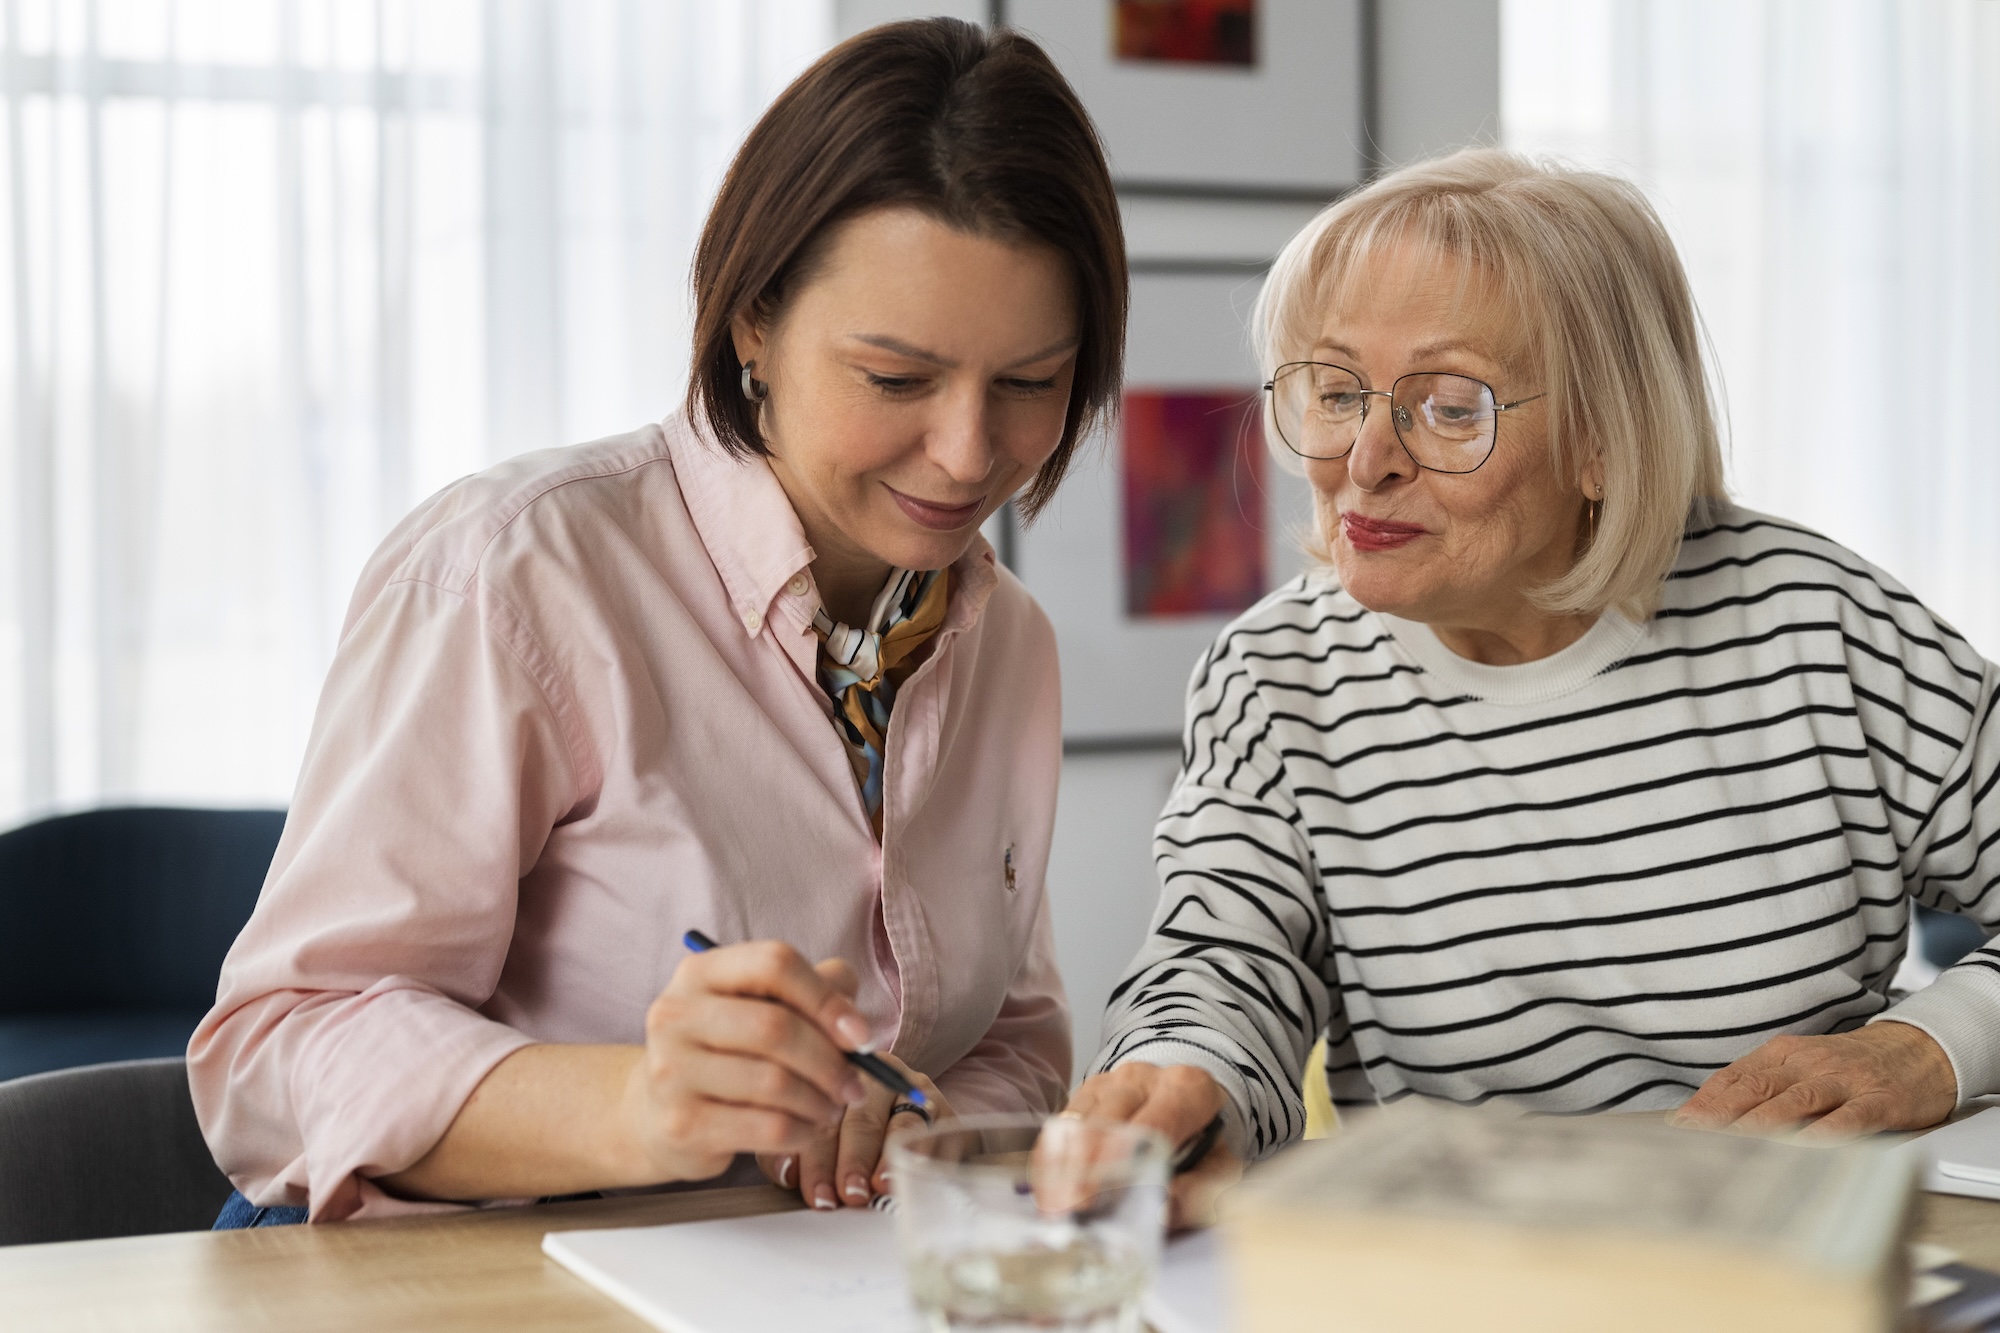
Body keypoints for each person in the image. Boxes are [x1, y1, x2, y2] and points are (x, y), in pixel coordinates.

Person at [190, 17, 1126, 1225]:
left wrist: (917, 1121)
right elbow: (275, 1051)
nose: (963, 453)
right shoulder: (516, 574)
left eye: (1027, 383)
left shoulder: (1009, 645)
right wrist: (640, 1105)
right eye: (894, 379)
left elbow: (1010, 1033)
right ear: (753, 325)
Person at [1069, 148, 2000, 1226]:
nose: (1362, 459)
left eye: (1447, 407)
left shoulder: (1819, 629)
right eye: (1334, 392)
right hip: (1474, 1265)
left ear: (1603, 439)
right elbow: (1221, 962)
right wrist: (1186, 1079)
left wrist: (1927, 1047)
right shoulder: (1276, 681)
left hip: (1790, 1251)